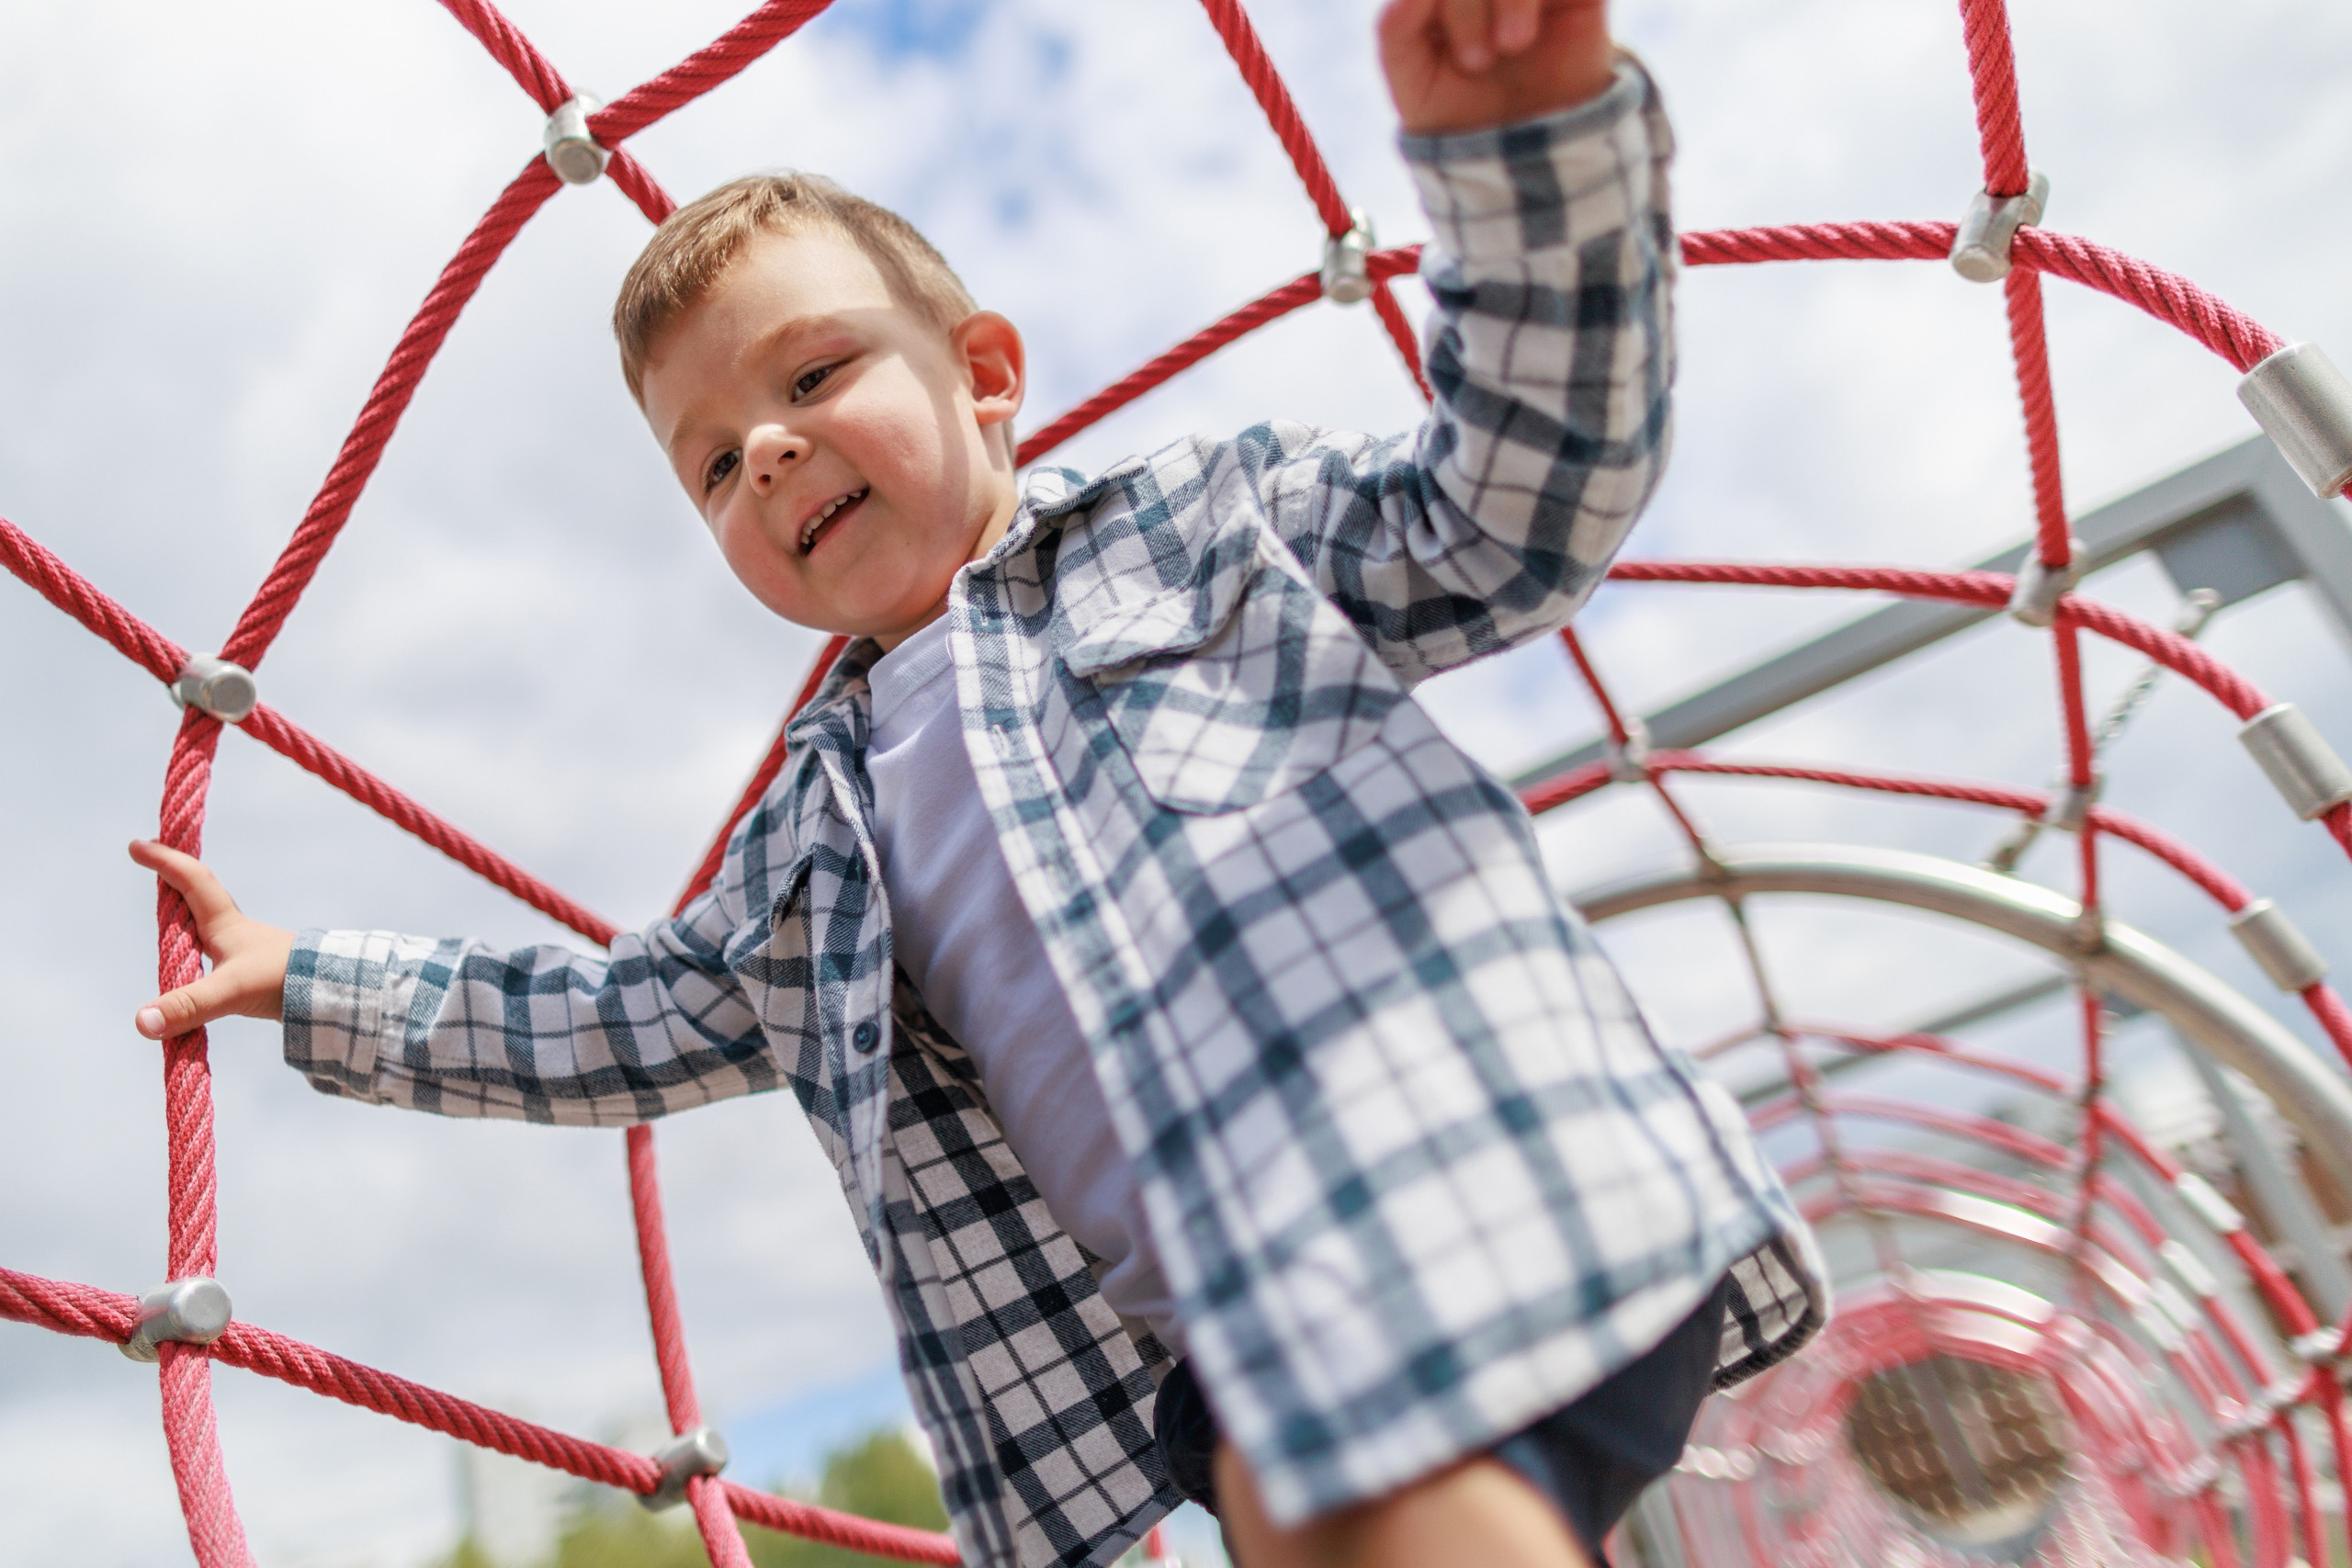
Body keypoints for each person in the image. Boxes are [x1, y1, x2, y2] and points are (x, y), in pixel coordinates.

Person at [129, 2, 1826, 1563]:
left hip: (1491, 1179)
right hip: (1242, 1349)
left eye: (811, 378)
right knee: (1338, 1504)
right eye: (712, 464)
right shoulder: (813, 840)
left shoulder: (1200, 531)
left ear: (986, 373)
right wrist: (308, 981)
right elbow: (612, 1021)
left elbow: (1506, 514)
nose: (765, 450)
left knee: (1362, 1493)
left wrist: (1524, 158)